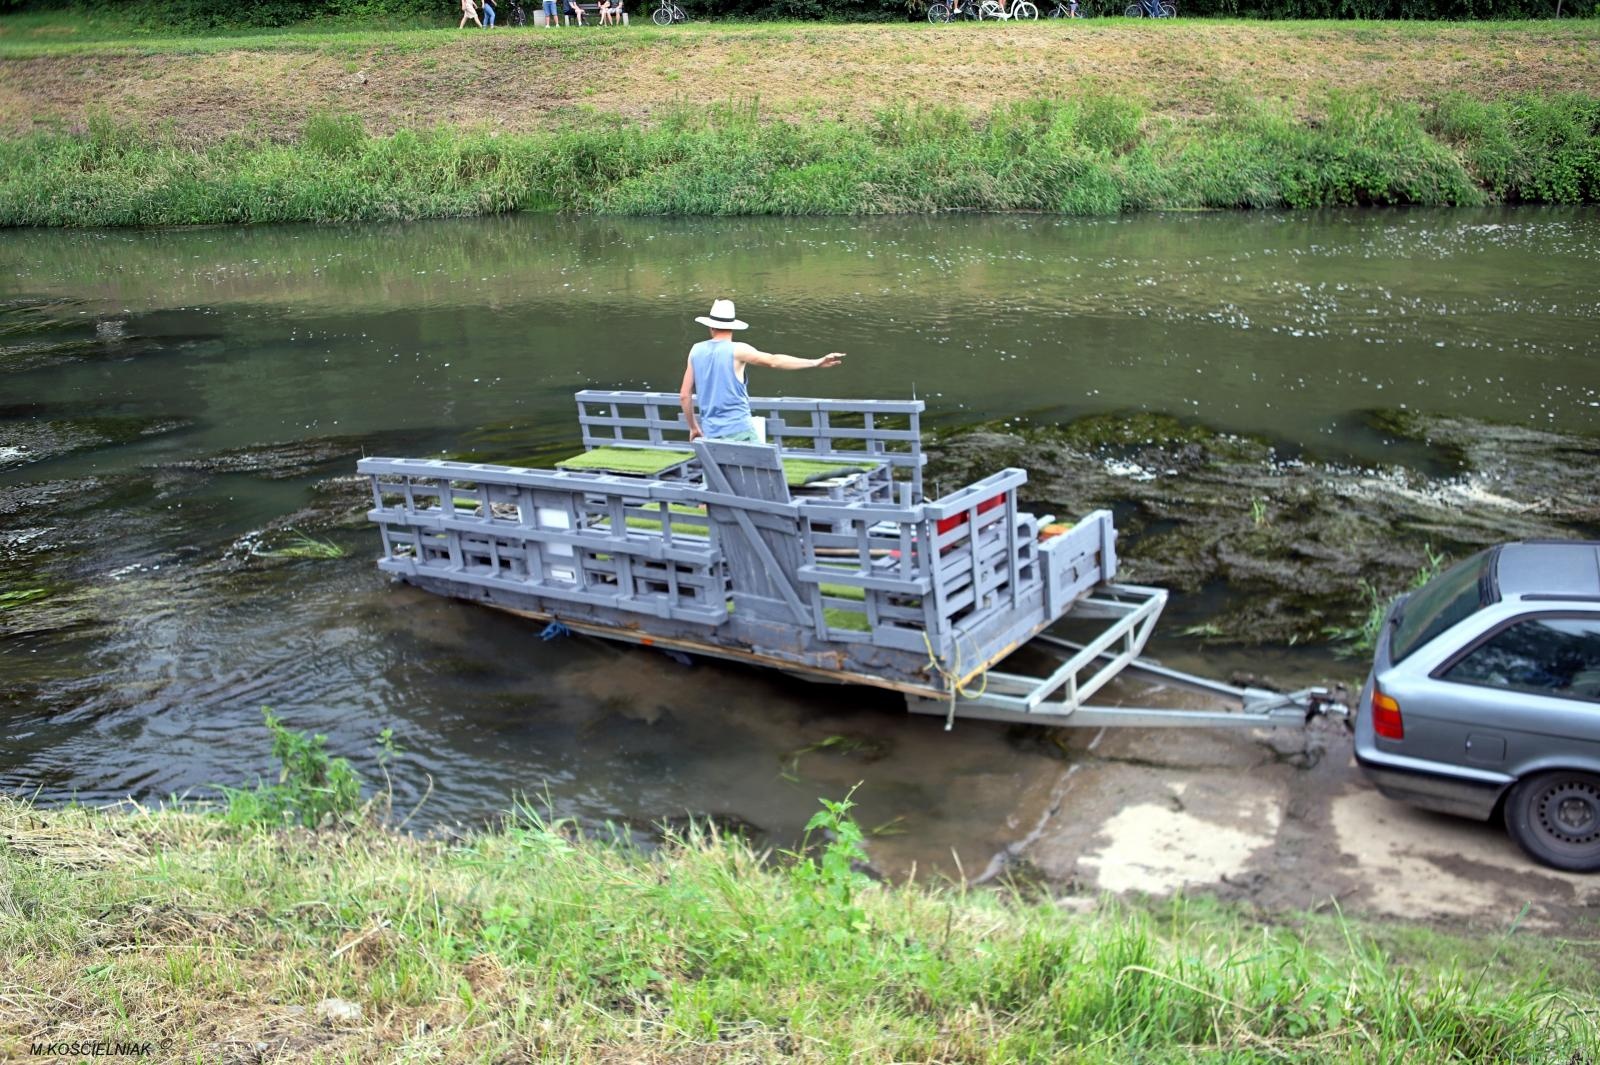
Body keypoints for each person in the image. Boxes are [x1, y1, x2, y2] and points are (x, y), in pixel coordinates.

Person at [678, 299, 846, 444]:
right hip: (739, 432)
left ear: (711, 327)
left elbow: (685, 395)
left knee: (719, 479)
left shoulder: (695, 350)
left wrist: (693, 427)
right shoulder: (738, 350)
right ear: (732, 327)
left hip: (710, 434)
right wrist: (815, 362)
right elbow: (774, 361)